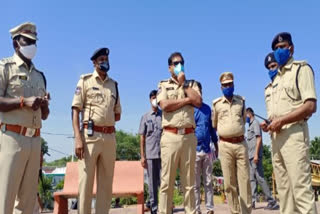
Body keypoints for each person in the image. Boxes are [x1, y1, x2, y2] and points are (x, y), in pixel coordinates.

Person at [261, 32, 317, 214]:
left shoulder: (301, 69)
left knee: (300, 190)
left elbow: (310, 105)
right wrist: (270, 123)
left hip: (294, 135)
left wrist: (281, 121)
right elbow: (279, 112)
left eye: (281, 47)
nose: (278, 51)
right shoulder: (276, 79)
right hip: (276, 138)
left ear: (291, 48)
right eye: (275, 49)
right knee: (284, 193)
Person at [0, 22, 50, 214]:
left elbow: (44, 116)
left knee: (28, 201)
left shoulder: (40, 76)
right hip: (12, 137)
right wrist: (22, 102)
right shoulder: (5, 67)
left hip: (35, 140)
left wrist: (44, 107)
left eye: (34, 41)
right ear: (16, 44)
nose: (32, 46)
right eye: (27, 41)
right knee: (6, 197)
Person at [72, 47, 121, 214]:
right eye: (101, 59)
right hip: (89, 138)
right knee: (85, 183)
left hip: (109, 138)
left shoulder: (114, 85)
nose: (104, 62)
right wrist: (78, 138)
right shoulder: (85, 81)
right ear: (94, 62)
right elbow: (75, 110)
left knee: (106, 185)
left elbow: (118, 114)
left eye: (106, 59)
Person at [157, 52, 202, 214]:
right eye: (176, 63)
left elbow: (197, 101)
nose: (179, 66)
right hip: (170, 136)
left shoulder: (192, 84)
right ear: (169, 68)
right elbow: (164, 105)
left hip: (189, 137)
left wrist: (184, 86)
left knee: (189, 182)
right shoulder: (163, 85)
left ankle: (191, 211)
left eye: (181, 63)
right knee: (166, 182)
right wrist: (185, 100)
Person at [212, 72, 251, 214]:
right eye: (225, 85)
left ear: (234, 85)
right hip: (225, 146)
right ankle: (235, 211)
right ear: (221, 87)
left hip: (241, 144)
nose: (228, 86)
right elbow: (215, 125)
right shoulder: (216, 104)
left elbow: (242, 119)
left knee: (245, 181)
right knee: (229, 183)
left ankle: (246, 212)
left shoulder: (241, 101)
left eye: (230, 84)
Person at [246, 107, 278, 210]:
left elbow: (259, 138)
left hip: (255, 156)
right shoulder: (250, 125)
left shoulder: (255, 123)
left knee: (260, 178)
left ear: (249, 114)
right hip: (250, 156)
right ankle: (253, 201)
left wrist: (256, 154)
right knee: (252, 179)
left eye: (245, 115)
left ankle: (272, 201)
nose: (244, 117)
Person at [193, 82, 218, 214]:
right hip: (194, 151)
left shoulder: (208, 109)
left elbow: (212, 130)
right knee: (195, 184)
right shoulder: (189, 109)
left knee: (208, 181)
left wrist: (216, 144)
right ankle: (196, 209)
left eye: (200, 91)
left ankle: (210, 208)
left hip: (207, 150)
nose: (198, 93)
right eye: (195, 91)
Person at [138, 89, 162, 214]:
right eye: (153, 97)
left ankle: (164, 207)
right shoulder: (145, 117)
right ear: (149, 99)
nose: (155, 99)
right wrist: (143, 156)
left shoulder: (164, 115)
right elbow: (142, 137)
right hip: (151, 155)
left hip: (163, 155)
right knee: (152, 184)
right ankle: (154, 208)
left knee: (164, 182)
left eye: (156, 97)